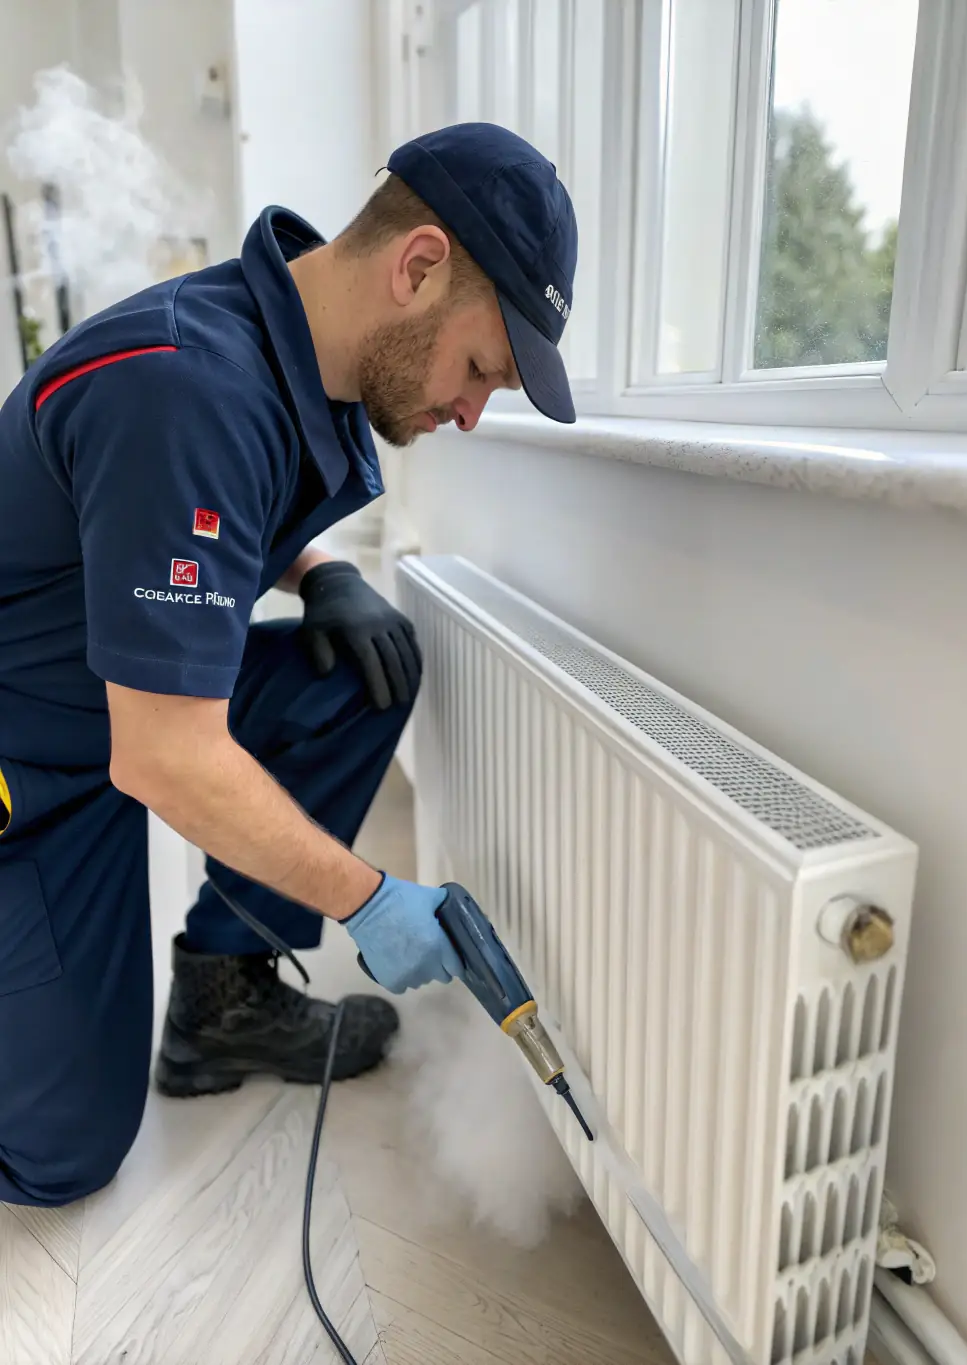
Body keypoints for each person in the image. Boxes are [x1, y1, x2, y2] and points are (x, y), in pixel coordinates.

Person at [0, 122, 577, 1208]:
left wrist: (317, 573)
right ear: (418, 268)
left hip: (103, 704)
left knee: (360, 664)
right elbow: (167, 760)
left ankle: (223, 997)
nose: (467, 410)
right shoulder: (182, 387)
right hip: (27, 760)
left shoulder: (290, 361)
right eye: (480, 369)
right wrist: (367, 901)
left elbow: (205, 519)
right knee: (61, 1156)